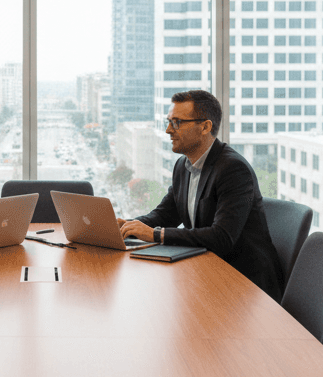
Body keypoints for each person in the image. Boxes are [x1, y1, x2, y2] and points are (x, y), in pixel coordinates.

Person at [118, 90, 285, 301]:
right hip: (207, 271)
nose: (168, 130)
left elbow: (221, 237)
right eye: (168, 121)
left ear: (205, 127)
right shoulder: (183, 165)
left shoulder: (233, 169)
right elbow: (164, 215)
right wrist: (127, 226)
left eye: (177, 122)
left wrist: (155, 234)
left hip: (246, 286)